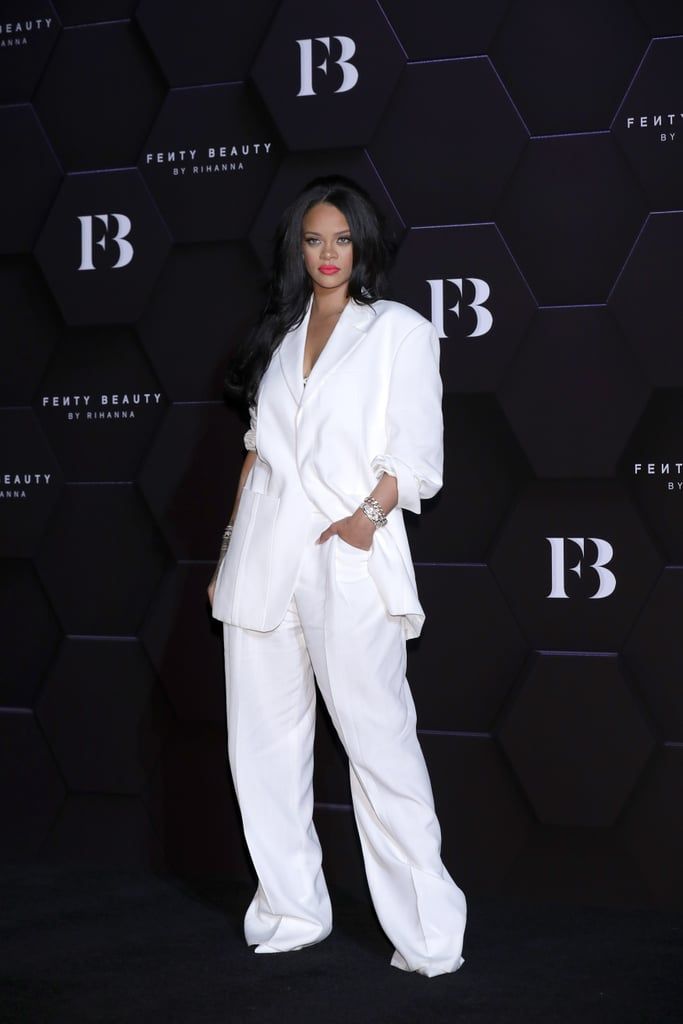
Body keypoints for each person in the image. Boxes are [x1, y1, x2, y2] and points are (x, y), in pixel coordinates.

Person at [207, 175, 467, 977]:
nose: (326, 255)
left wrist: (366, 519)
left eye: (341, 239)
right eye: (313, 240)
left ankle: (428, 935)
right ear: (297, 249)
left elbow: (417, 453)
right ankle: (289, 909)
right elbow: (257, 449)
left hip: (348, 561)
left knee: (380, 750)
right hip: (261, 564)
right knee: (263, 752)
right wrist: (227, 554)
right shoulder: (278, 338)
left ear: (364, 247)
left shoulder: (398, 331)